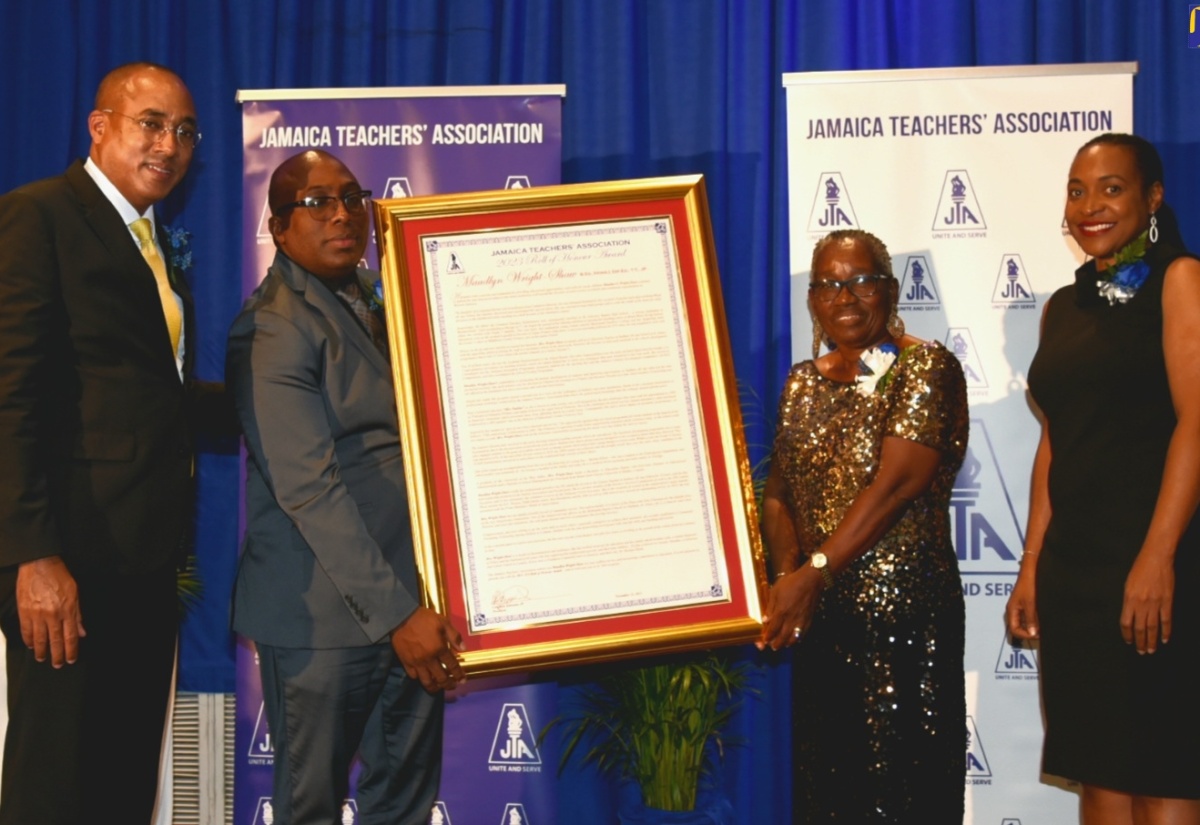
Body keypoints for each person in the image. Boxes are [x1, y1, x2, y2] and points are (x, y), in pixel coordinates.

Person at [226, 150, 465, 825]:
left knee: (405, 803)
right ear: (278, 227)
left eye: (352, 199)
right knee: (313, 807)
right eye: (317, 202)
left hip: (410, 599)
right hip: (322, 618)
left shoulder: (385, 298)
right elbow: (309, 490)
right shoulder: (272, 328)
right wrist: (399, 615)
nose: (341, 214)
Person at [0, 62, 206, 824]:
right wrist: (33, 554)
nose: (169, 144)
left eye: (185, 131)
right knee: (56, 784)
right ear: (101, 127)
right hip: (69, 557)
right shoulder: (40, 216)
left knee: (122, 782)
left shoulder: (150, 238)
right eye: (151, 123)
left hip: (144, 558)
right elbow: (10, 393)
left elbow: (153, 394)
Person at [1006, 134, 1200, 824]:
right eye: (1078, 190)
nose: (1090, 205)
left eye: (1112, 188)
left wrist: (1158, 556)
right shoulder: (1064, 306)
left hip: (1159, 568)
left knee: (1163, 778)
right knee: (1100, 782)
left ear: (1152, 198)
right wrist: (1031, 564)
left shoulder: (1182, 280)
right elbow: (1056, 443)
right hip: (1075, 579)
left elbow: (1196, 422)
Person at [759, 229, 968, 822]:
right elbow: (779, 495)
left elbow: (898, 484)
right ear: (812, 301)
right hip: (822, 624)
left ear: (891, 289)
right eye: (827, 284)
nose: (843, 296)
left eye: (859, 280)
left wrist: (812, 572)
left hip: (904, 618)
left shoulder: (925, 366)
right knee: (830, 791)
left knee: (903, 791)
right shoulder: (801, 382)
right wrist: (787, 581)